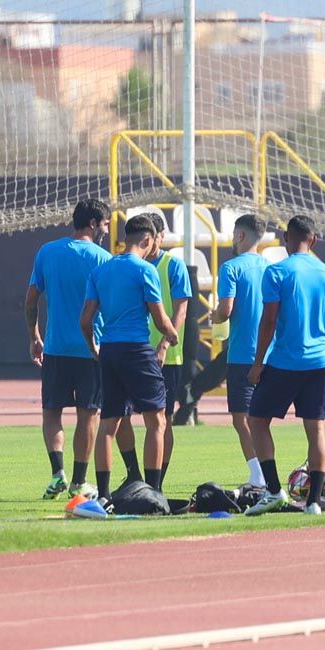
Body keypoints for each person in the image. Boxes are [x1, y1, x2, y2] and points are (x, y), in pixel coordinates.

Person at [244, 216, 325, 516]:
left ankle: (274, 490)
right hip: (318, 363)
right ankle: (313, 501)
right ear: (313, 240)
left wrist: (257, 362)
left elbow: (269, 321)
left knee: (257, 420)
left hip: (284, 361)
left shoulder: (277, 272)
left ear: (287, 238)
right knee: (316, 431)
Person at [81, 214, 178, 500]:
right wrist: (171, 335)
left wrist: (92, 347)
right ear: (147, 240)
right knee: (156, 422)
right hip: (137, 350)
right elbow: (160, 319)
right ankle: (154, 491)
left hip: (109, 351)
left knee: (109, 424)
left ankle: (104, 495)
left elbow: (85, 320)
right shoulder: (145, 270)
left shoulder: (102, 270)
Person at [26, 198, 112, 499]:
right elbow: (109, 306)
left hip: (56, 348)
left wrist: (34, 336)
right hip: (92, 350)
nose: (106, 230)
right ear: (93, 223)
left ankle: (57, 474)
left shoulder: (47, 252)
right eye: (105, 224)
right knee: (89, 414)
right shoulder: (103, 258)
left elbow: (31, 300)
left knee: (51, 412)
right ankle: (78, 481)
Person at [210, 214, 269, 487]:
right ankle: (265, 474)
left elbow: (226, 310)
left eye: (235, 234)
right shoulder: (272, 268)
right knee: (261, 418)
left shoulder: (231, 267)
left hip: (243, 354)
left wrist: (215, 316)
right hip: (270, 354)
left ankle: (259, 475)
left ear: (241, 236)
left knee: (240, 418)